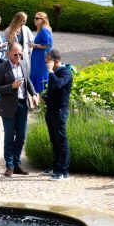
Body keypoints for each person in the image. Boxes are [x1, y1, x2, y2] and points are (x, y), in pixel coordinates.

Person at [0, 42, 38, 177]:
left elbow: (28, 80)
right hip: (8, 107)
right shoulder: (2, 68)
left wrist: (34, 94)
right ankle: (10, 166)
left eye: (20, 54)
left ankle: (17, 163)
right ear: (8, 53)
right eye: (15, 54)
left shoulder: (24, 64)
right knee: (9, 136)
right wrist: (11, 86)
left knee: (21, 136)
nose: (18, 56)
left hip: (22, 105)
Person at [41, 49, 73, 180]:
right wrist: (45, 97)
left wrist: (50, 72)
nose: (46, 62)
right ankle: (55, 167)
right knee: (54, 140)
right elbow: (54, 90)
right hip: (51, 109)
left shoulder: (65, 72)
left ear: (56, 61)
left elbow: (59, 84)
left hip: (60, 110)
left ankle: (64, 171)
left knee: (61, 140)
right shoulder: (54, 72)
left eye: (47, 59)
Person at [4, 12, 34, 80]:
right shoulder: (8, 30)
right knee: (14, 75)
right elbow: (5, 44)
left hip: (24, 56)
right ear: (18, 19)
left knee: (25, 75)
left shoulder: (26, 29)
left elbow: (32, 40)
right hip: (13, 56)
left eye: (25, 20)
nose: (25, 22)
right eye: (23, 20)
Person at [29, 12, 53, 93]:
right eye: (34, 18)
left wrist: (34, 45)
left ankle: (40, 102)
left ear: (43, 20)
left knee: (40, 78)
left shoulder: (44, 30)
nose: (34, 20)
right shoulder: (43, 29)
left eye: (37, 18)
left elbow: (48, 45)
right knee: (39, 77)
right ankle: (38, 102)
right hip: (39, 57)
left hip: (41, 58)